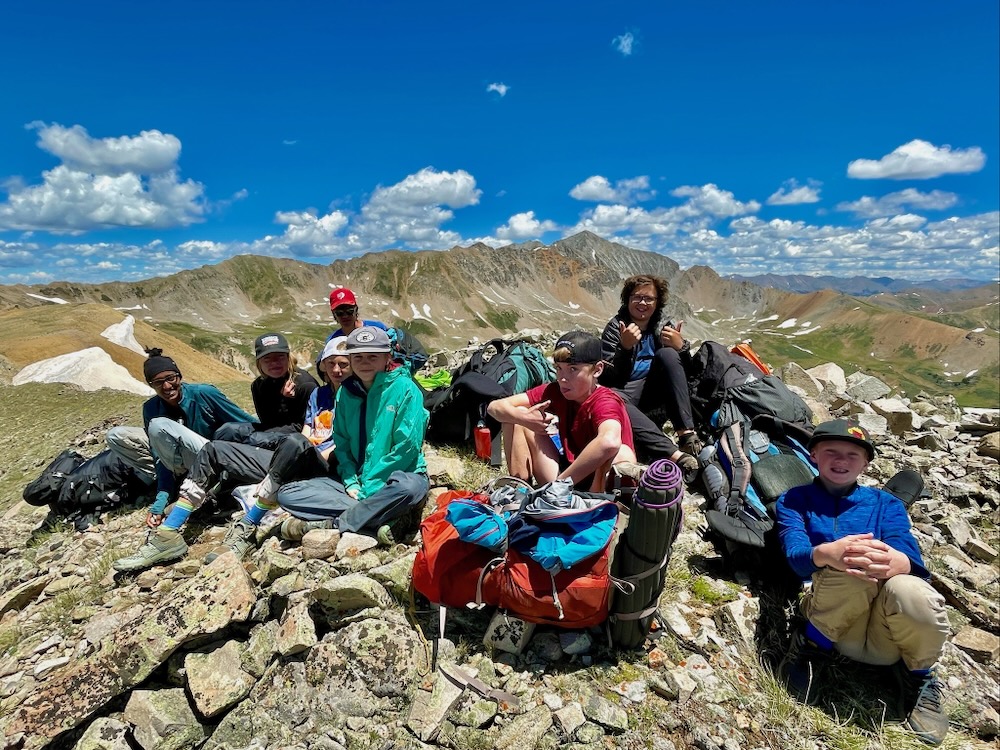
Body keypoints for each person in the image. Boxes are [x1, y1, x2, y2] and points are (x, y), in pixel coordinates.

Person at [776, 420, 950, 746]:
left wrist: (901, 563)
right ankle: (811, 651)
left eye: (852, 455)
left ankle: (919, 676)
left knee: (910, 587)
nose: (841, 461)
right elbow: (794, 554)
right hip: (832, 624)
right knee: (850, 569)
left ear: (866, 464)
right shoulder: (794, 500)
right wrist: (828, 554)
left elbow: (908, 551)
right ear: (813, 455)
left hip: (889, 638)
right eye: (831, 452)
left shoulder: (886, 504)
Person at [112, 339, 353, 571]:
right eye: (331, 364)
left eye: (344, 364)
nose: (336, 370)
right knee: (213, 448)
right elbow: (305, 430)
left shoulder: (347, 396)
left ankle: (248, 526)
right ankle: (168, 533)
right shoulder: (318, 395)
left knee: (292, 442)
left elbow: (327, 440)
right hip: (293, 455)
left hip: (320, 465)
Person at [269, 326, 430, 545]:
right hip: (356, 484)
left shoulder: (405, 389)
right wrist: (352, 482)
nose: (365, 362)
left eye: (373, 356)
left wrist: (370, 488)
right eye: (358, 357)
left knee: (409, 489)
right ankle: (383, 516)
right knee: (288, 493)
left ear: (387, 357)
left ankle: (335, 524)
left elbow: (406, 449)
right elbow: (342, 445)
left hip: (399, 476)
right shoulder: (346, 392)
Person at [105, 348, 256, 531]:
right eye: (159, 382)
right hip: (182, 462)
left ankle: (206, 483)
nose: (167, 386)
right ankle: (173, 484)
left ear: (179, 376)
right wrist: (161, 500)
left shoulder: (204, 393)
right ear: (151, 385)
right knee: (115, 435)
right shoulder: (151, 408)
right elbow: (158, 455)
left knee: (159, 426)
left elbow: (246, 423)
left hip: (214, 459)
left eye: (171, 378)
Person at [487, 330, 637, 493]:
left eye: (573, 369)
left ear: (597, 370)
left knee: (622, 453)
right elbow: (494, 407)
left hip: (597, 486)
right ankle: (520, 488)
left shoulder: (605, 401)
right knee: (516, 413)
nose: (563, 378)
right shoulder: (556, 391)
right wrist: (524, 418)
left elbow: (609, 441)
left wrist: (560, 484)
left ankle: (590, 505)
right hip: (567, 476)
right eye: (559, 368)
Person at [598, 274, 702, 456]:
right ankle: (672, 453)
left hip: (655, 394)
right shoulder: (616, 328)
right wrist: (625, 348)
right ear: (627, 300)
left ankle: (686, 435)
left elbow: (687, 375)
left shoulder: (664, 327)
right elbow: (608, 378)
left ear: (657, 302)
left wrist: (682, 348)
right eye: (637, 297)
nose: (642, 303)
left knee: (668, 353)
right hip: (625, 392)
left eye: (649, 298)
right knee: (611, 397)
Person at [214, 332, 319, 446]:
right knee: (227, 430)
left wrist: (286, 401)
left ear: (288, 358)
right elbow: (268, 422)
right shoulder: (258, 385)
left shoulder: (306, 385)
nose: (274, 363)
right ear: (259, 363)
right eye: (267, 358)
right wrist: (280, 400)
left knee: (251, 439)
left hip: (294, 441)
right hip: (270, 431)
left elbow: (304, 428)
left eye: (280, 356)